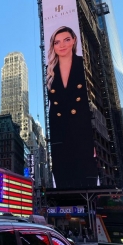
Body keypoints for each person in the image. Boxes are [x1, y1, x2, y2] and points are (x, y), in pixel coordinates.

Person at [47, 26, 96, 187]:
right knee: (63, 179)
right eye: (57, 42)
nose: (62, 45)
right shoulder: (51, 73)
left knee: (86, 178)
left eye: (67, 40)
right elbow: (53, 110)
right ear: (53, 46)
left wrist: (93, 142)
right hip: (60, 137)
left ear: (74, 40)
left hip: (82, 133)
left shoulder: (82, 64)